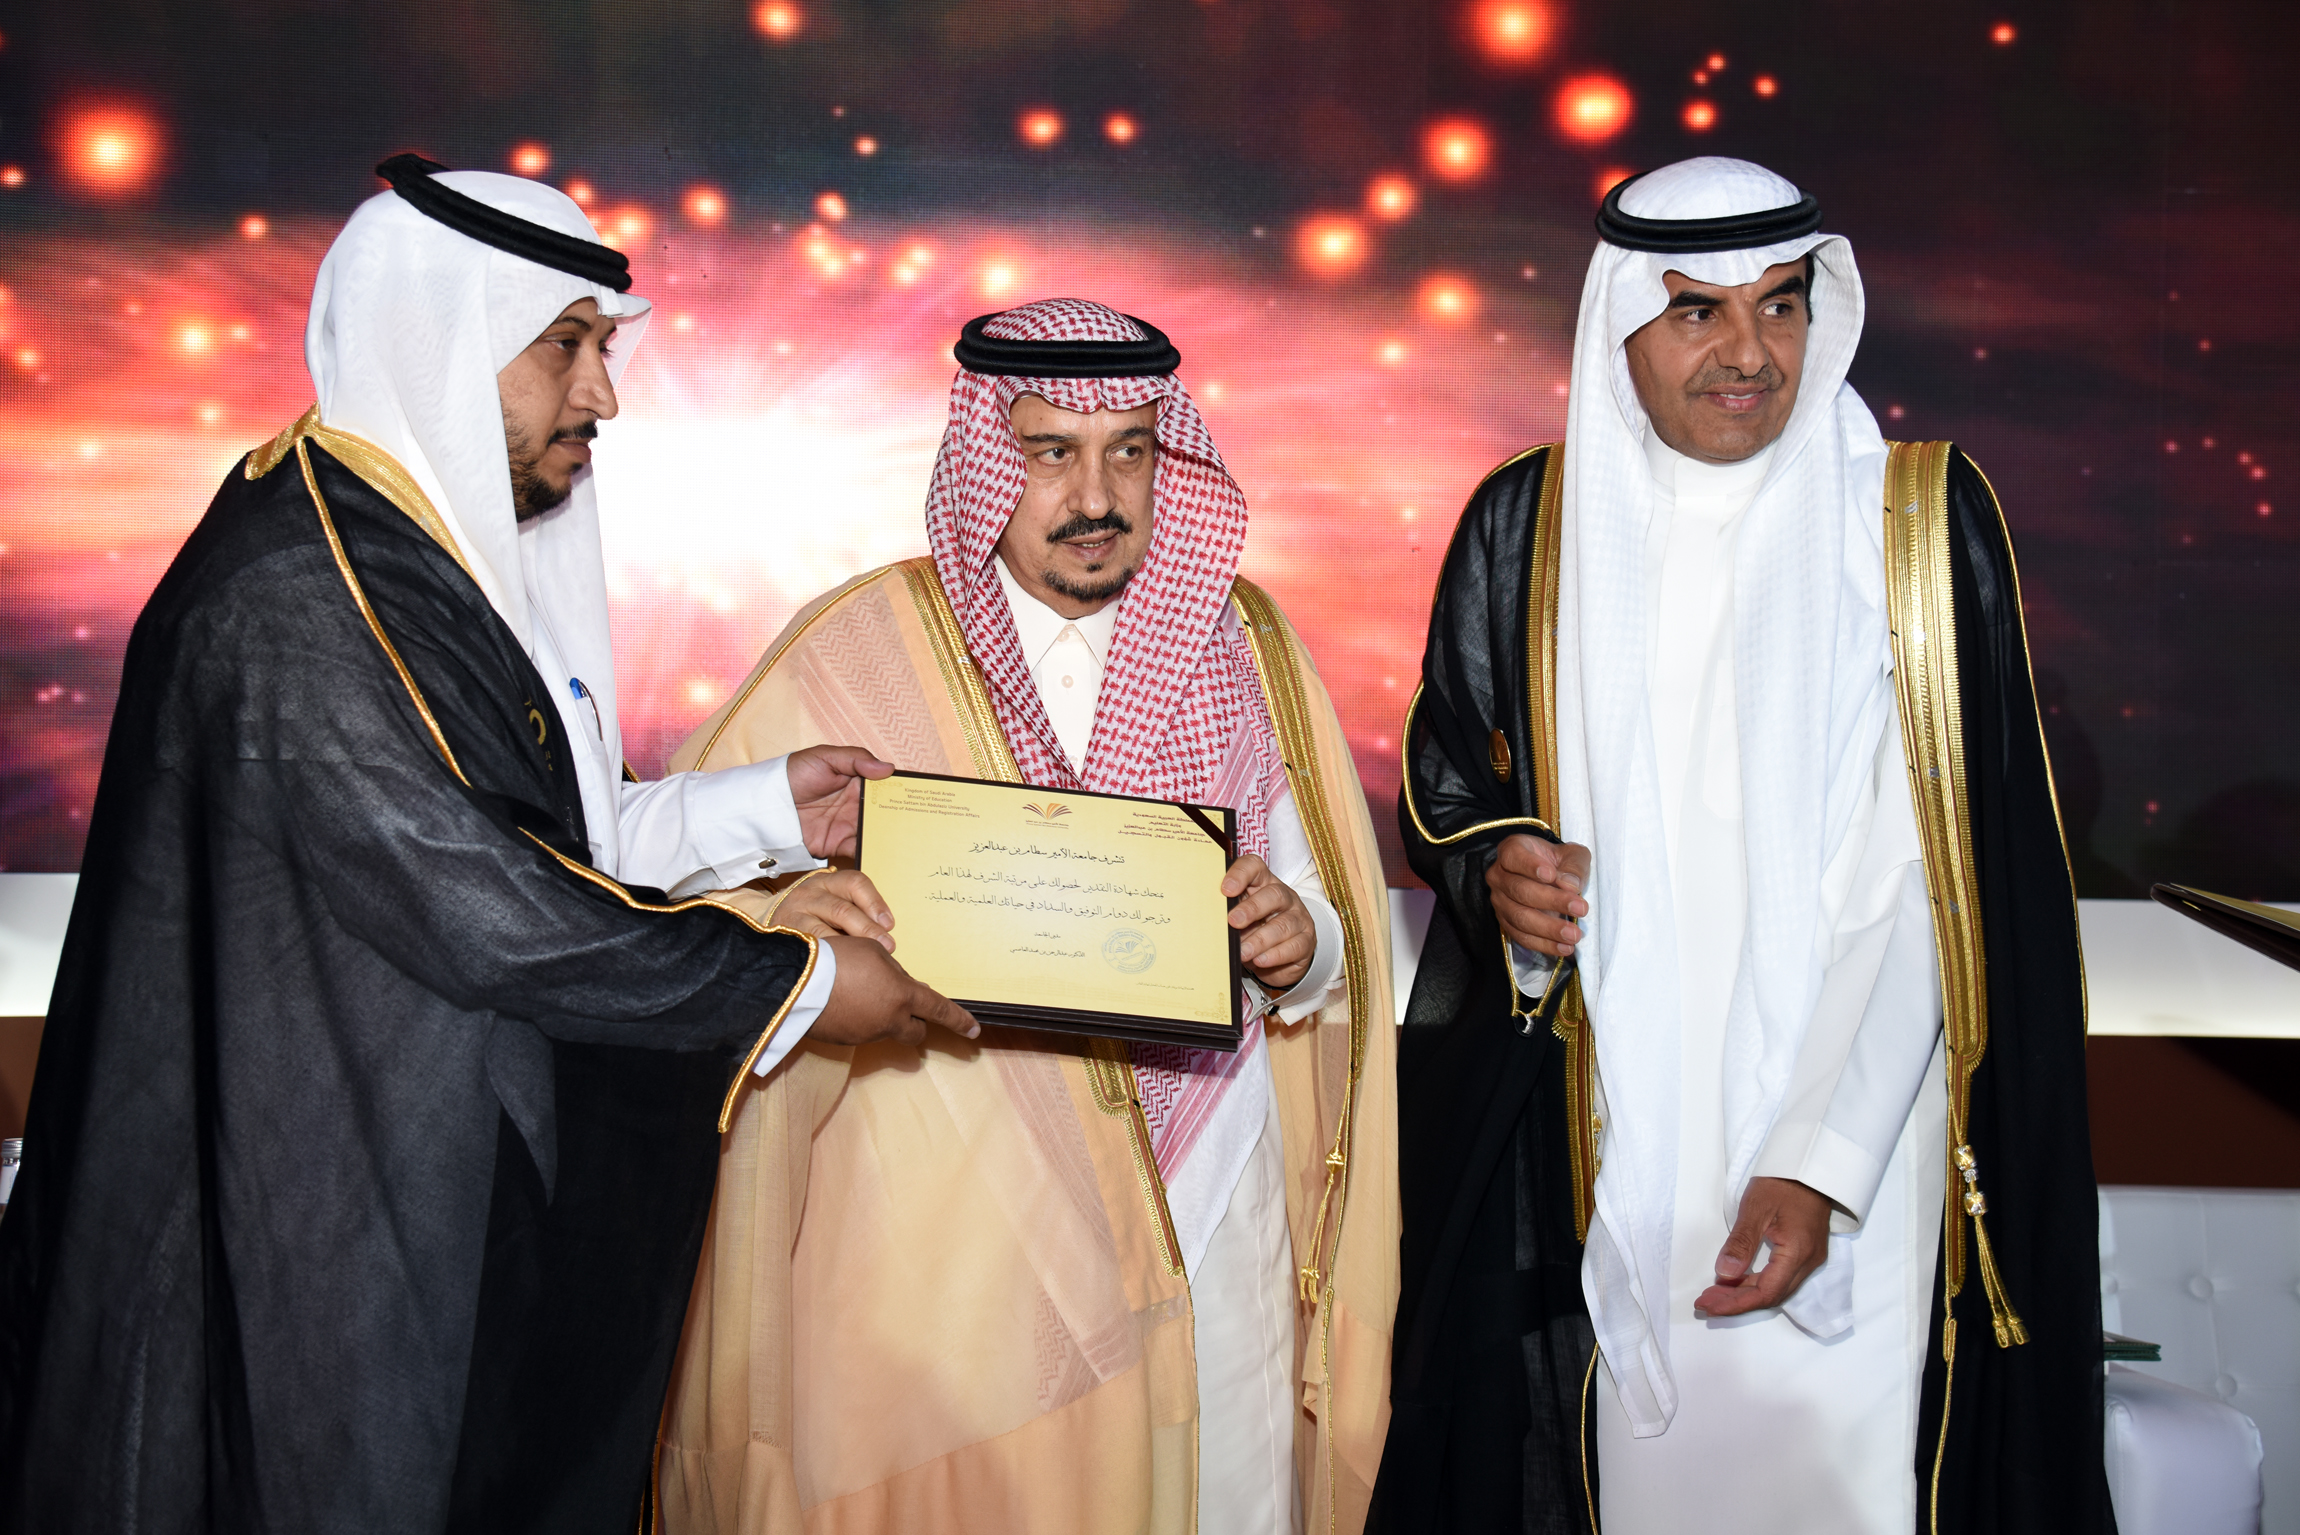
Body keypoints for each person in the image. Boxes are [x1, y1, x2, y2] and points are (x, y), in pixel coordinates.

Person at [0, 155, 974, 1533]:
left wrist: (764, 809)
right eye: (565, 347)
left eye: (603, 348)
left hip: (421, 1176)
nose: (604, 396)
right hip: (313, 1211)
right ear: (441, 341)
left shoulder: (396, 547)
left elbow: (527, 830)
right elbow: (484, 901)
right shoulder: (298, 595)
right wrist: (794, 980)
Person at [1373, 157, 2109, 1533]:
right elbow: (1455, 777)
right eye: (1696, 313)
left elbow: (1925, 887)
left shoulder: (1906, 521)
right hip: (1604, 1133)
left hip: (1855, 1136)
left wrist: (1819, 1157)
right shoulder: (1528, 526)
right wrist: (1498, 871)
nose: (1750, 353)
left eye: (1779, 304)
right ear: (1619, 328)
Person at [654, 299, 1398, 1535]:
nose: (1093, 497)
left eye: (1129, 451)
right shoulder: (861, 648)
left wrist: (1299, 942)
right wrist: (790, 916)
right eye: (1050, 451)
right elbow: (676, 899)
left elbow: (1328, 920)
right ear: (984, 455)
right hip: (952, 1243)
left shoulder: (1246, 645)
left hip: (1214, 1194)